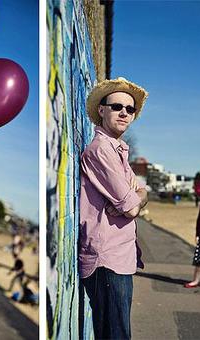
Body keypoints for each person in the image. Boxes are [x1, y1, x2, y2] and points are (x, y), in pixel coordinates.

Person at [79, 77, 149, 340]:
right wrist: (135, 199)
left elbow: (141, 193)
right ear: (101, 109)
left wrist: (138, 196)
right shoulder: (101, 151)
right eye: (117, 106)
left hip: (120, 258)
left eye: (130, 109)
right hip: (106, 261)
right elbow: (132, 207)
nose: (124, 112)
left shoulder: (118, 151)